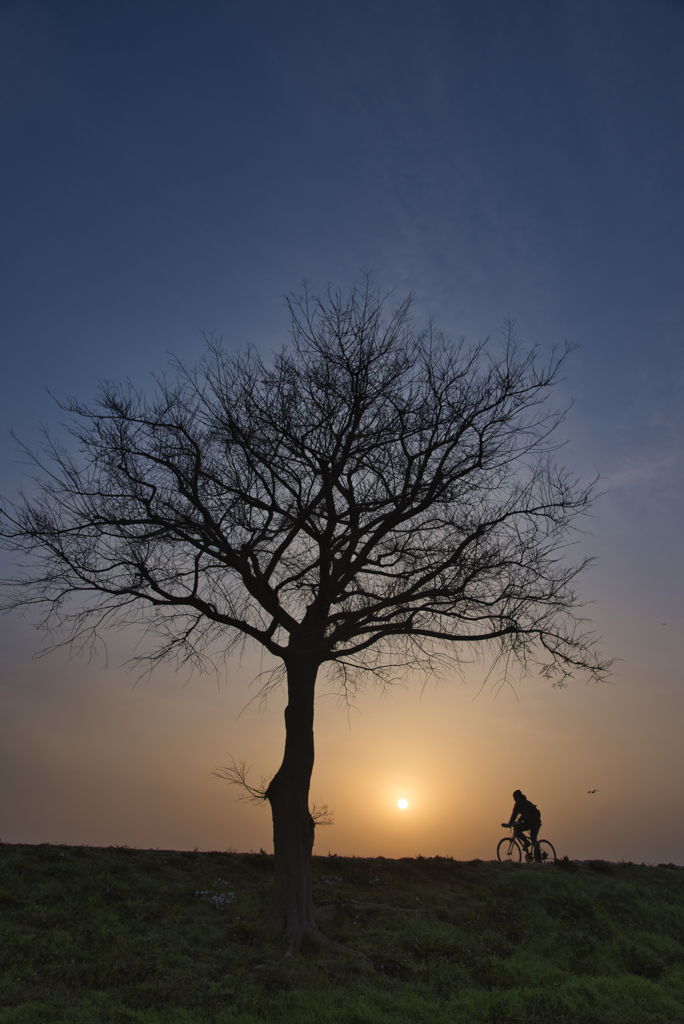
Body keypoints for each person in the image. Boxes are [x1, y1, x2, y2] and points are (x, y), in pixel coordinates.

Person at [504, 790, 542, 862]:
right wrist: (509, 823)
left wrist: (519, 821)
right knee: (517, 829)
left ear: (519, 797)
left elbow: (525, 814)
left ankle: (538, 858)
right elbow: (514, 815)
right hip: (527, 822)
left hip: (535, 821)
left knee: (533, 839)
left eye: (515, 798)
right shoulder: (517, 805)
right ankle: (526, 842)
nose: (514, 800)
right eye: (514, 798)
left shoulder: (527, 804)